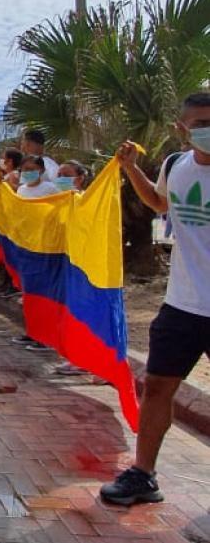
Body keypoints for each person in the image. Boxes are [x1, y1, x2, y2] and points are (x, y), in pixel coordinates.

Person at [101, 93, 210, 506]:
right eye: (198, 124)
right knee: (158, 387)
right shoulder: (175, 166)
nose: (206, 131)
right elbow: (159, 203)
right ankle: (143, 474)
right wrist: (130, 168)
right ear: (181, 130)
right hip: (182, 305)